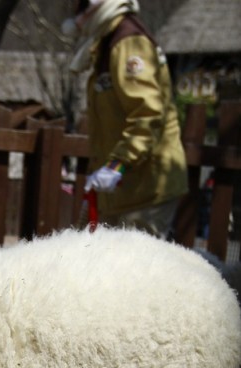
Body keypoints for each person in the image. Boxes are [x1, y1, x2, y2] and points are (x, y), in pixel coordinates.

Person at [64, 0, 188, 239]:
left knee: (133, 271)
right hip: (121, 191)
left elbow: (148, 113)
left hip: (146, 189)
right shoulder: (106, 42)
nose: (74, 18)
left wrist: (117, 165)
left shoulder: (129, 43)